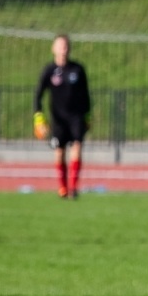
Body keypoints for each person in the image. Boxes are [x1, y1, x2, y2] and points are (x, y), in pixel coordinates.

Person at [34, 34, 91, 199]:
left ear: (69, 48)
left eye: (65, 46)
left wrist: (87, 116)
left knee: (77, 147)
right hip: (58, 118)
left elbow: (86, 95)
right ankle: (62, 187)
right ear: (53, 48)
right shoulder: (49, 71)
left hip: (76, 117)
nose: (63, 49)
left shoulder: (78, 69)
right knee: (59, 152)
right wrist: (38, 117)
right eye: (60, 46)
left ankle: (73, 188)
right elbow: (38, 94)